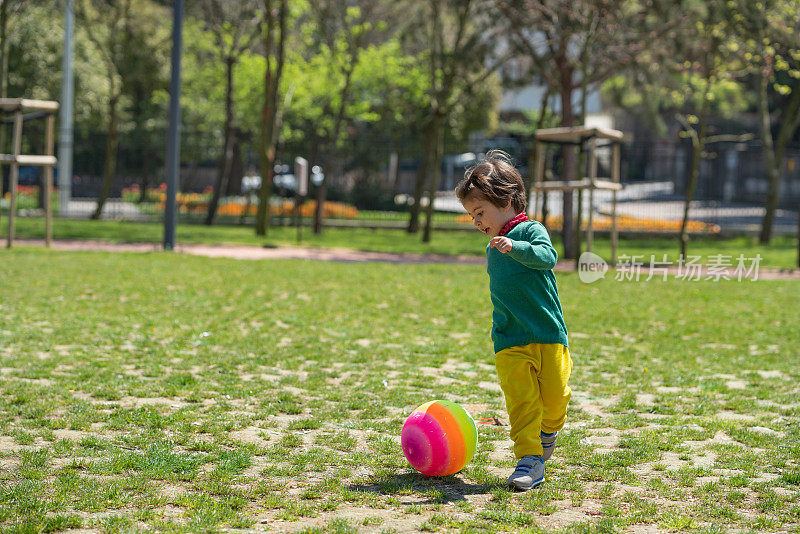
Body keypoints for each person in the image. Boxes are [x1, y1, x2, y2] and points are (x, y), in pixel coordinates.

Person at [455, 150, 571, 491]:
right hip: (509, 339)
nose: (476, 221)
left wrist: (515, 247)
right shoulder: (493, 246)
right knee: (521, 403)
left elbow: (548, 258)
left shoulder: (531, 230)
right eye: (472, 216)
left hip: (548, 333)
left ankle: (548, 432)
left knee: (555, 399)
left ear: (505, 199)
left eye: (480, 212)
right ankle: (530, 460)